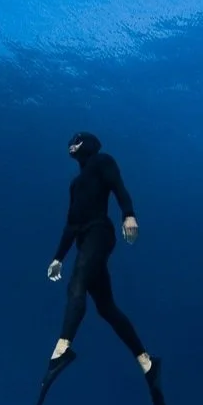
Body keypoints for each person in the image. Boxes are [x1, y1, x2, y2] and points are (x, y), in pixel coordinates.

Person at [44, 132, 156, 382]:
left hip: (100, 232)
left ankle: (63, 347)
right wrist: (58, 258)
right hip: (84, 240)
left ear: (87, 144)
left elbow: (118, 187)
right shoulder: (75, 184)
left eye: (77, 140)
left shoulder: (103, 161)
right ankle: (146, 361)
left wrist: (128, 214)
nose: (72, 144)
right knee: (106, 307)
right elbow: (71, 224)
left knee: (77, 283)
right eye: (70, 142)